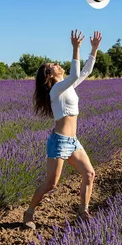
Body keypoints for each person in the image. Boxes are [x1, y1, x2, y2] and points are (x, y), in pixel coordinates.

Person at [23, 29, 102, 230]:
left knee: (90, 174)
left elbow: (84, 73)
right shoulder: (56, 89)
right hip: (59, 142)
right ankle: (29, 212)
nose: (58, 65)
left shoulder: (68, 87)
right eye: (53, 66)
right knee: (52, 184)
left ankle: (83, 212)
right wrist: (76, 48)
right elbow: (75, 72)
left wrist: (94, 49)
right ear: (49, 76)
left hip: (73, 141)